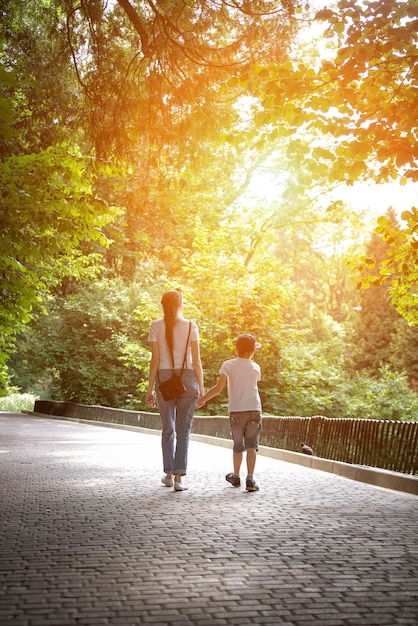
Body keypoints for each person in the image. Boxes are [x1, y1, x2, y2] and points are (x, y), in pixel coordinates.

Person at [145, 289, 204, 492]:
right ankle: (179, 479)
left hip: (164, 379)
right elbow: (196, 361)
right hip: (187, 379)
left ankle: (168, 475)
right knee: (183, 431)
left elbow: (154, 361)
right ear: (180, 304)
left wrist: (149, 389)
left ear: (163, 305)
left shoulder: (155, 326)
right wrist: (202, 389)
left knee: (167, 428)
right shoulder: (191, 326)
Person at [197, 334, 262, 492]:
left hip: (236, 410)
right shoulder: (255, 367)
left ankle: (236, 476)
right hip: (254, 409)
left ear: (236, 350)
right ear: (252, 351)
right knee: (252, 445)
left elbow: (219, 388)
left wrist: (203, 399)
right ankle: (250, 479)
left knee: (238, 446)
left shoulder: (228, 365)